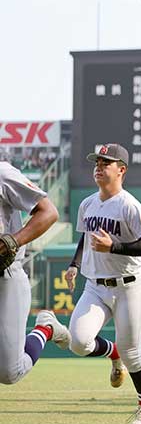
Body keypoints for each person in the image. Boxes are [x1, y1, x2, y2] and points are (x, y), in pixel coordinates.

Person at [62, 144, 141, 424]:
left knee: (133, 352)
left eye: (107, 162)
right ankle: (112, 353)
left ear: (122, 170)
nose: (99, 166)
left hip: (129, 285)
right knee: (78, 342)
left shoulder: (129, 204)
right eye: (97, 161)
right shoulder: (87, 203)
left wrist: (114, 246)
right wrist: (73, 265)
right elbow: (85, 238)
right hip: (95, 286)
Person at [0, 160, 65, 386]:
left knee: (9, 372)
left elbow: (49, 212)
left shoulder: (3, 173)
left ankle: (45, 328)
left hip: (5, 276)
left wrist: (13, 240)